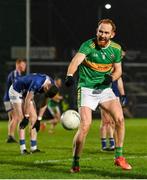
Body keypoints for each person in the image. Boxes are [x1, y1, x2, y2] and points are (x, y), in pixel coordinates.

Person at [65, 19, 132, 172]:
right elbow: (75, 61)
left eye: (106, 32)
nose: (102, 35)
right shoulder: (88, 45)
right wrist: (69, 75)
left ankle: (119, 157)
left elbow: (118, 71)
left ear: (112, 34)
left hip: (104, 90)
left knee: (120, 119)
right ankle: (75, 163)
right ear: (97, 31)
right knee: (85, 126)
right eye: (100, 31)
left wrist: (112, 77)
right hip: (86, 89)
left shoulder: (115, 49)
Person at [9, 73, 59, 154]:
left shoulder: (51, 85)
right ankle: (23, 149)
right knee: (21, 118)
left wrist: (39, 119)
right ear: (46, 87)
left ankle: (33, 148)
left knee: (34, 119)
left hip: (26, 93)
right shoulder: (37, 83)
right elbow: (28, 100)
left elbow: (45, 103)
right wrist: (26, 117)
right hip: (16, 91)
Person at [100, 77, 127, 151]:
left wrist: (123, 94)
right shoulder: (102, 68)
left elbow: (119, 80)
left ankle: (113, 144)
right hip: (103, 94)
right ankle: (104, 145)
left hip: (115, 95)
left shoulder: (116, 68)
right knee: (105, 121)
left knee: (114, 122)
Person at [3, 58, 26, 143]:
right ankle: (10, 136)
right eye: (23, 64)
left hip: (7, 98)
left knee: (12, 118)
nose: (24, 66)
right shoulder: (15, 73)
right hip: (10, 99)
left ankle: (10, 135)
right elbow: (16, 86)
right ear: (18, 64)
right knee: (16, 117)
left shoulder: (18, 74)